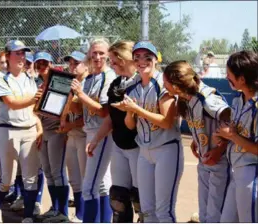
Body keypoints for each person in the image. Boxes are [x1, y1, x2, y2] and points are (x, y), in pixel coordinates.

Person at [112, 41, 184, 222]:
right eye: (137, 57)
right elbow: (130, 125)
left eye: (147, 57)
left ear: (155, 59)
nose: (142, 61)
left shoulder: (163, 83)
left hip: (166, 149)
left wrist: (137, 110)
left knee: (163, 210)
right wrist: (129, 111)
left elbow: (167, 122)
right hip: (144, 151)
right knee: (147, 209)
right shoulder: (133, 87)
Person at [163, 60, 231, 222]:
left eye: (166, 82)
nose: (164, 85)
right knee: (205, 212)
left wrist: (219, 149)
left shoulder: (206, 98)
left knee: (215, 214)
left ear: (176, 84)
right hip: (205, 161)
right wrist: (196, 139)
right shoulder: (186, 99)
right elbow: (201, 124)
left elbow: (232, 119)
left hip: (220, 162)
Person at [86, 40, 142, 222]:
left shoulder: (141, 81)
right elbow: (109, 118)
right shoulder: (117, 83)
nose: (111, 65)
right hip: (119, 144)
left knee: (140, 199)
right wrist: (96, 140)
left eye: (113, 61)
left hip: (138, 146)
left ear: (123, 59)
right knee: (118, 198)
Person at [0, 40, 43, 223]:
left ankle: (27, 217)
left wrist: (39, 128)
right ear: (8, 56)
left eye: (23, 53)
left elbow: (34, 110)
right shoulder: (1, 79)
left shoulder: (30, 79)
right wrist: (34, 98)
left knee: (30, 178)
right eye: (17, 53)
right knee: (6, 180)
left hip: (28, 130)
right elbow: (11, 104)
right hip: (7, 131)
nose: (21, 57)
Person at [70, 38, 116, 223]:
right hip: (89, 130)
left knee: (90, 186)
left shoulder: (109, 76)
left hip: (102, 132)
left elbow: (104, 111)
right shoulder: (89, 78)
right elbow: (77, 109)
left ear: (108, 55)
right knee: (102, 184)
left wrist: (80, 95)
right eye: (94, 53)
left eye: (101, 53)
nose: (97, 57)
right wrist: (73, 92)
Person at [214, 51, 258, 223]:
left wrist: (231, 135)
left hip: (252, 173)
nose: (226, 77)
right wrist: (224, 137)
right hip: (237, 170)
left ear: (242, 79)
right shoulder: (238, 100)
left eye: (229, 74)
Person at [33, 51, 70, 223]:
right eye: (38, 64)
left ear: (51, 64)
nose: (42, 67)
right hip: (44, 131)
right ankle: (55, 208)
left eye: (45, 64)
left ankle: (62, 212)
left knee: (57, 172)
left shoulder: (61, 81)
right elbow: (35, 111)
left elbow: (67, 106)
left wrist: (63, 121)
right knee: (48, 172)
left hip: (57, 131)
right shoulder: (38, 84)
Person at [62, 51, 88, 222]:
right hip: (72, 135)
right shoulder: (72, 82)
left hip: (85, 136)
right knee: (74, 179)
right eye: (70, 63)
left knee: (87, 180)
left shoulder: (87, 83)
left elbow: (83, 114)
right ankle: (79, 213)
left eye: (76, 63)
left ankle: (86, 215)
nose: (72, 66)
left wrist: (71, 98)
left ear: (86, 64)